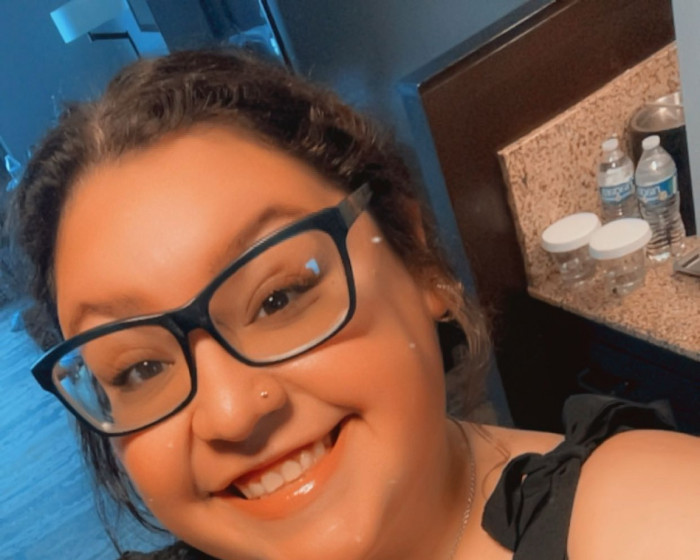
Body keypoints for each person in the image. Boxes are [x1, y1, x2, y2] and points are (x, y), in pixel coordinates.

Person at [12, 49, 700, 560]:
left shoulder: (645, 518)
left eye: (278, 297)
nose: (230, 413)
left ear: (418, 263)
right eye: (138, 368)